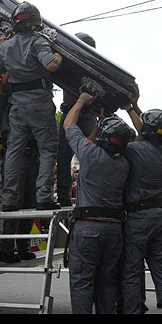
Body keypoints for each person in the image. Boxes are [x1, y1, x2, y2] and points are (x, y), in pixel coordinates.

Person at [63, 92, 131, 314]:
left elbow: (68, 124)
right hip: (114, 230)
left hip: (88, 227)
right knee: (108, 282)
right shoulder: (125, 163)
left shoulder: (89, 154)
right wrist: (101, 126)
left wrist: (81, 101)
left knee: (82, 282)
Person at [0, 1, 62, 211]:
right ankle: (43, 197)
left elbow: (0, 67)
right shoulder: (38, 42)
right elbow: (50, 64)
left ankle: (8, 200)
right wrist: (58, 58)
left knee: (14, 151)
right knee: (47, 149)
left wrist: (2, 43)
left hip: (17, 107)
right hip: (40, 104)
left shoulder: (6, 46)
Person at [120, 92, 162, 314]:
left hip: (137, 218)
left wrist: (129, 109)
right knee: (161, 271)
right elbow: (145, 130)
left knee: (132, 271)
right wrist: (132, 107)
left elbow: (141, 132)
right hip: (158, 216)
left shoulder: (135, 151)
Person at [0, 31, 38, 264]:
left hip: (33, 156)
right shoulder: (5, 105)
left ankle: (22, 247)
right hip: (16, 157)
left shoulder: (29, 102)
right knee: (13, 205)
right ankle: (6, 249)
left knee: (30, 205)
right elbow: (3, 88)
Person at [55, 32, 98, 207]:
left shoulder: (94, 67)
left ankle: (69, 195)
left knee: (94, 155)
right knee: (65, 157)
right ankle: (64, 196)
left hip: (85, 114)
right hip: (75, 114)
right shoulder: (67, 64)